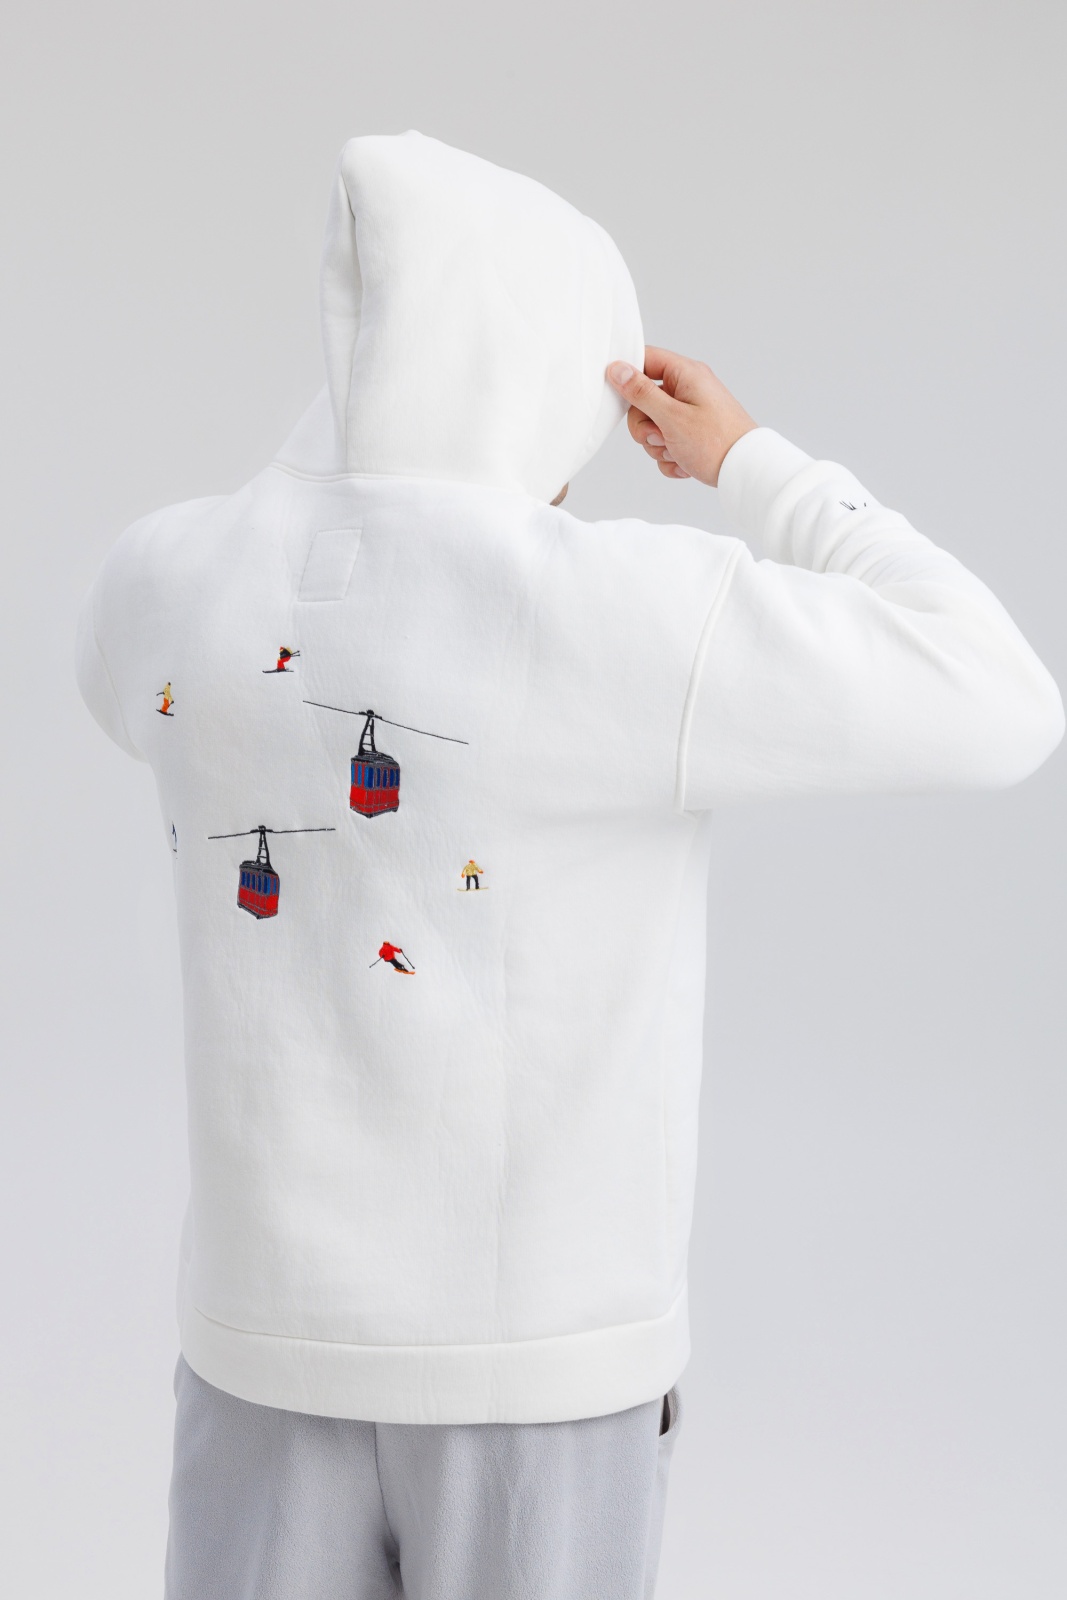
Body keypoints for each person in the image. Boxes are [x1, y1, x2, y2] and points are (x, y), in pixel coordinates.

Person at [75, 134, 1062, 1600]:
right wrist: (753, 464)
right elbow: (1004, 697)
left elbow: (130, 681)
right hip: (536, 1374)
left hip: (252, 1356)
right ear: (545, 372)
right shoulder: (616, 612)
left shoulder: (161, 582)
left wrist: (329, 459)